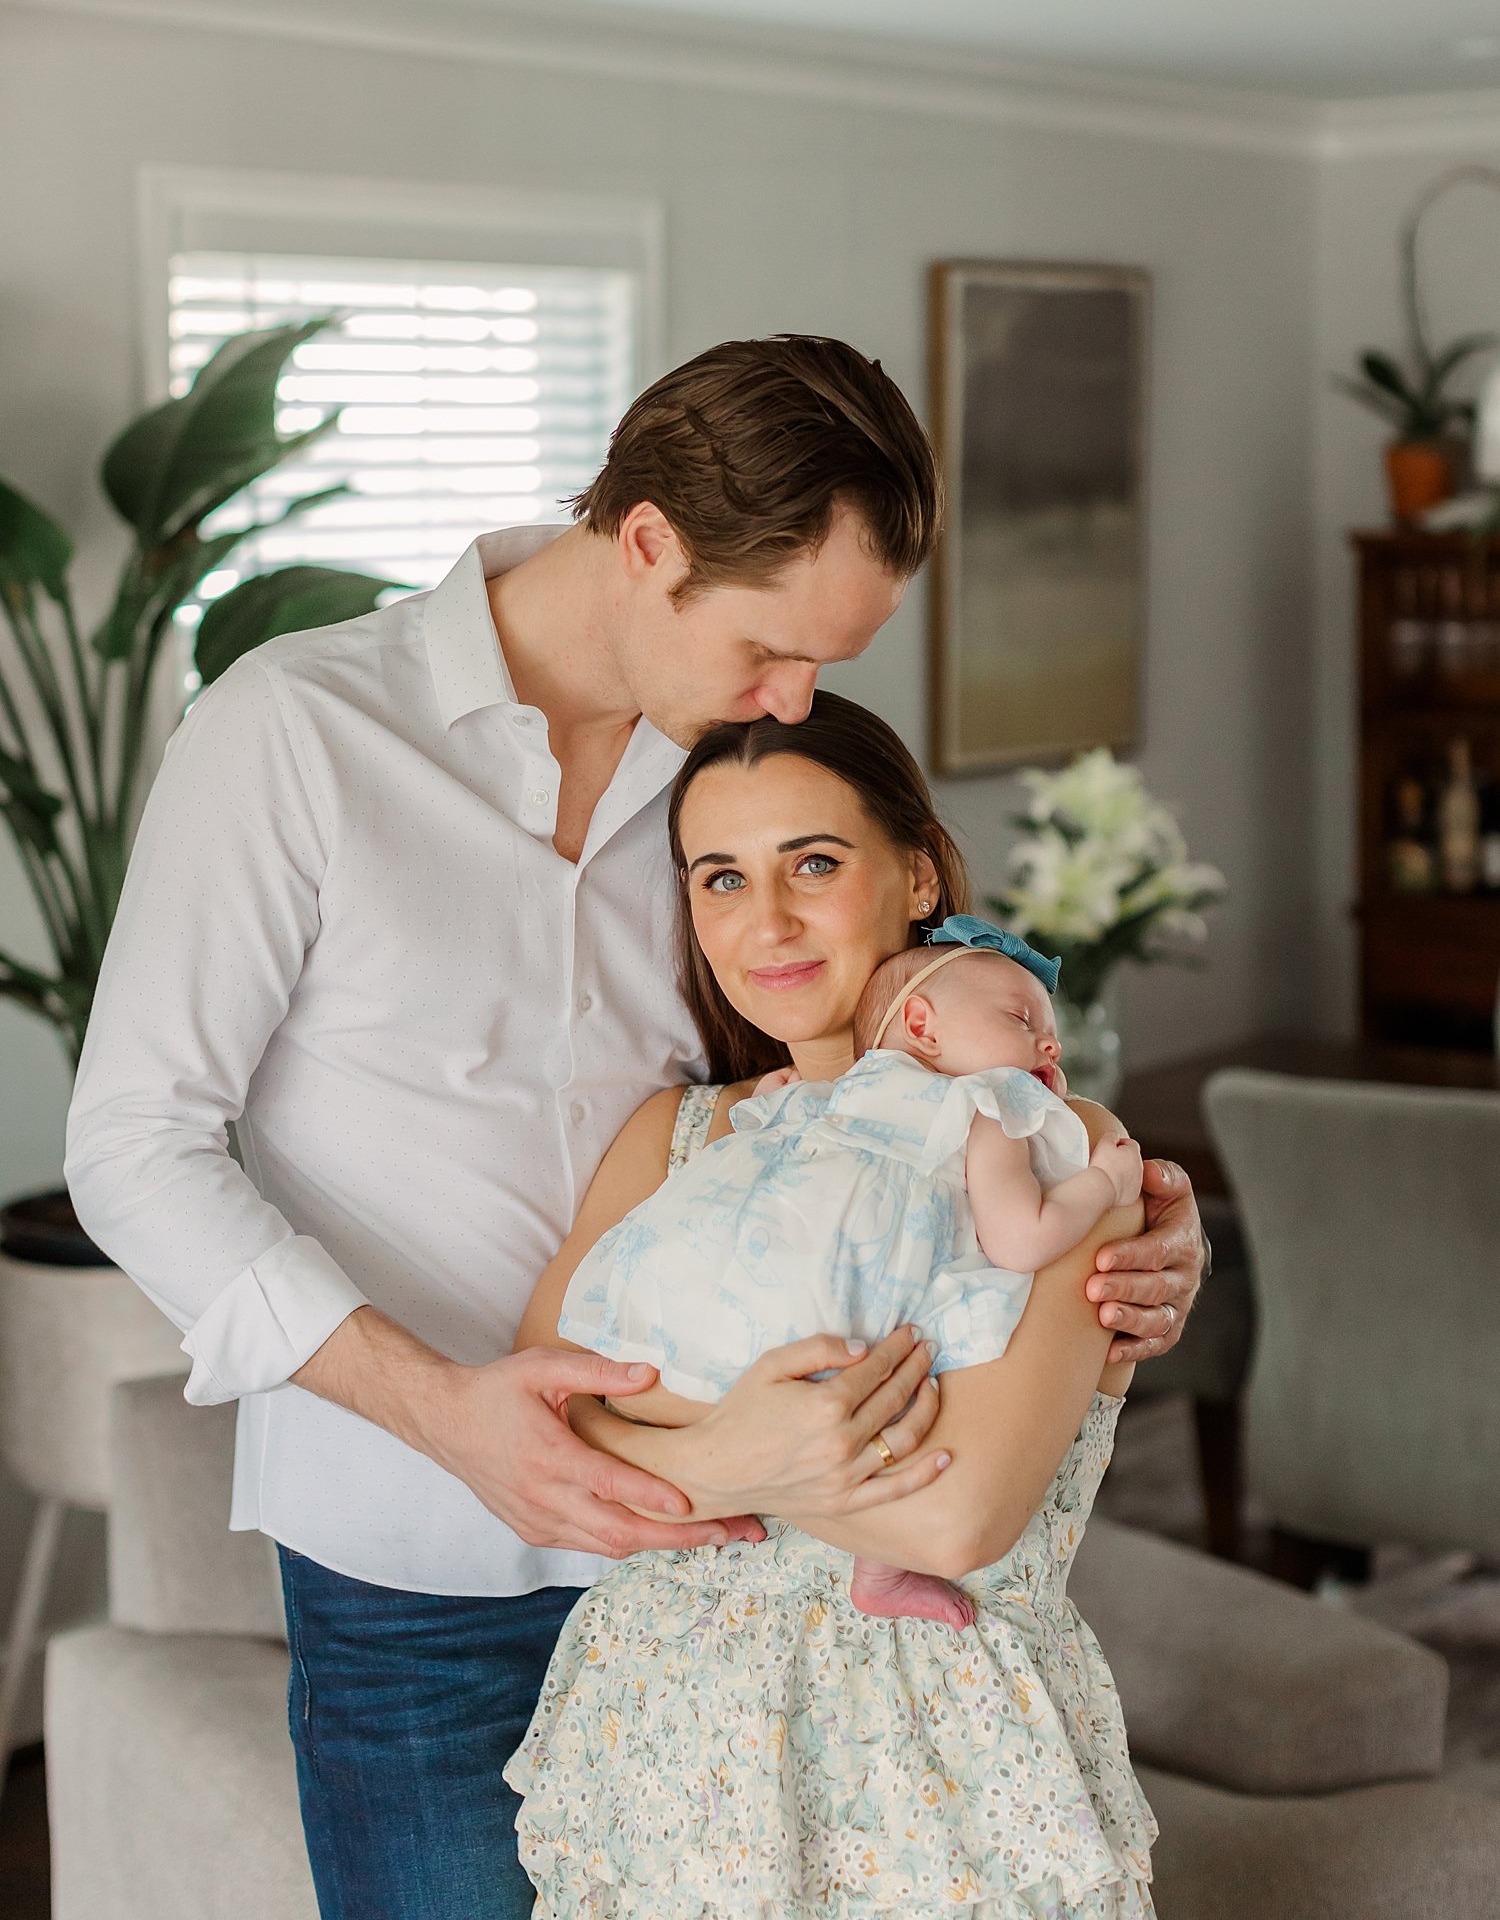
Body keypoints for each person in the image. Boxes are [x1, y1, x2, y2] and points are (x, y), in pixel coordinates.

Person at [65, 336, 1204, 1919]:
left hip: (760, 1564)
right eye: (774, 649)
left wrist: (1136, 1203)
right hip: (423, 1573)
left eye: (825, 662)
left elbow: (916, 1058)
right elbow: (131, 1142)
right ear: (652, 541)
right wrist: (448, 1408)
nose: (799, 696)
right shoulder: (296, 733)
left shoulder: (738, 777)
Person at [506, 696, 1160, 1917]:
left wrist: (681, 1459)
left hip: (930, 1771)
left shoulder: (1051, 1143)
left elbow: (960, 1519)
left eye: (813, 862)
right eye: (720, 879)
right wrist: (750, 1449)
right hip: (664, 1757)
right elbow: (537, 1430)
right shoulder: (675, 1138)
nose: (767, 923)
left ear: (916, 874)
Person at [556, 912, 1144, 1630]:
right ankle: (880, 1565)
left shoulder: (828, 1096)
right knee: (908, 1381)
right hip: (852, 1315)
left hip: (752, 1299)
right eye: (1022, 1019)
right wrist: (1102, 1186)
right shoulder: (989, 1105)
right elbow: (1022, 1238)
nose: (1049, 1042)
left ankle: (729, 1452)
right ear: (923, 1025)